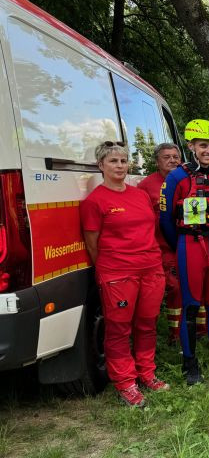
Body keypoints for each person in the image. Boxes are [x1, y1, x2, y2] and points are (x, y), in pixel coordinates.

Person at [80, 141, 168, 407]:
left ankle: (146, 373)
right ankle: (126, 382)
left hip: (151, 268)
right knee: (118, 329)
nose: (119, 166)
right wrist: (110, 269)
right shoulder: (95, 202)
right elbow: (92, 243)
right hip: (118, 273)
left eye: (122, 161)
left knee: (147, 323)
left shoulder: (139, 195)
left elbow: (150, 230)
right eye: (113, 161)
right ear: (101, 166)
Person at [160, 119, 209, 384]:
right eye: (203, 145)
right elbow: (166, 219)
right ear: (190, 145)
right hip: (190, 245)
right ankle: (189, 363)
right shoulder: (177, 177)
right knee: (191, 306)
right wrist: (181, 245)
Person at [137, 142, 184, 344]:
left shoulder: (186, 180)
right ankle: (148, 333)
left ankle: (177, 332)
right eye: (167, 157)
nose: (173, 160)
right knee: (164, 288)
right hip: (158, 248)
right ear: (157, 161)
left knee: (180, 288)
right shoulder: (146, 186)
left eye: (175, 156)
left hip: (183, 244)